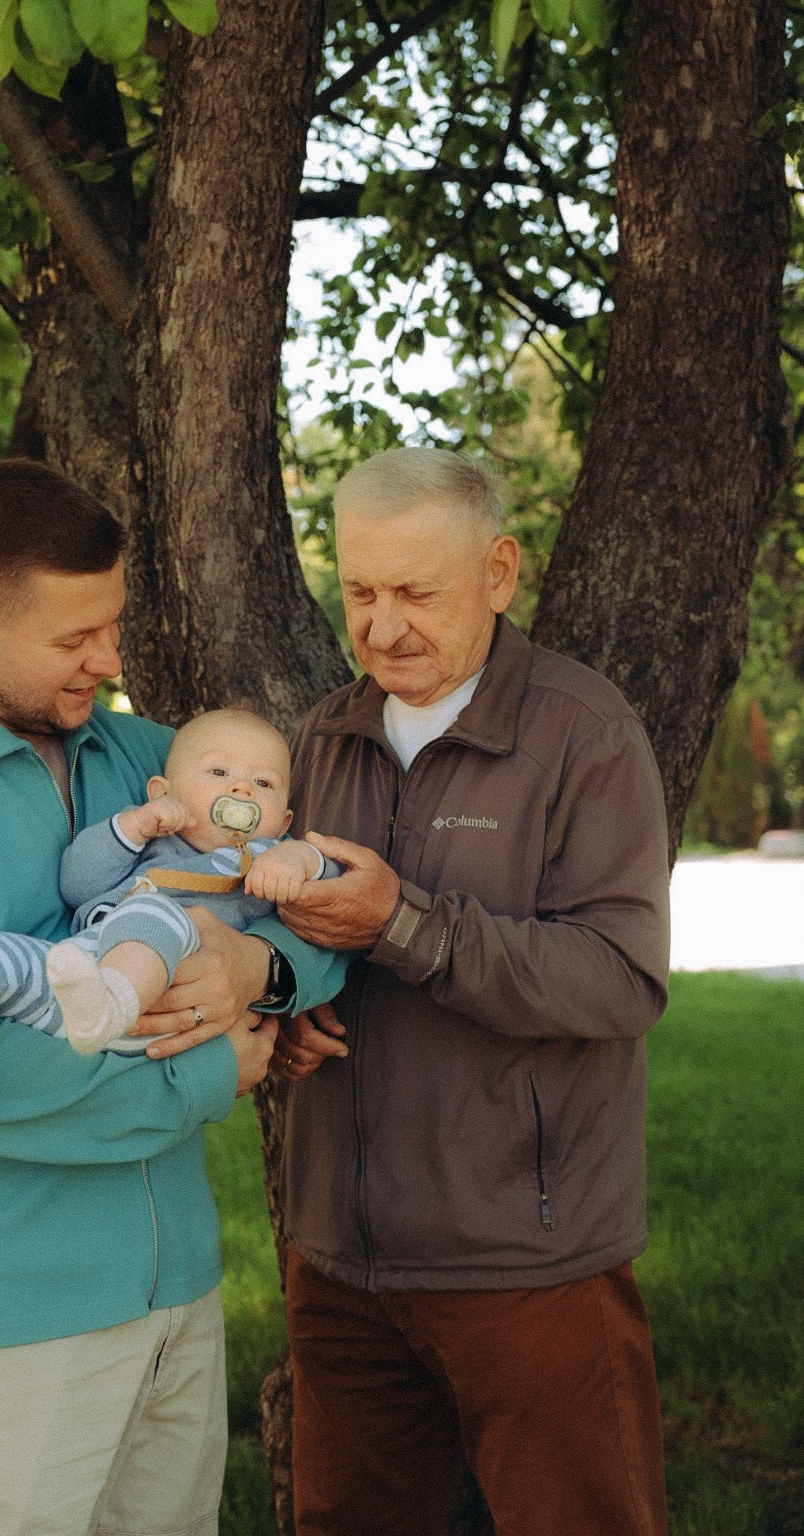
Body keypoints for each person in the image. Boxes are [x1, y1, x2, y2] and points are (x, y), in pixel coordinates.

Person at [0, 459, 345, 1536]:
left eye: (115, 624)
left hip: (174, 1296)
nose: (112, 659)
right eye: (74, 639)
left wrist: (261, 978)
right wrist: (201, 1078)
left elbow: (297, 910)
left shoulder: (151, 761)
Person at [271, 447, 672, 1536]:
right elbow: (287, 936)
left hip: (528, 1263)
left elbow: (621, 981)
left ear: (498, 572)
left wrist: (406, 925)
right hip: (341, 1262)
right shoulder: (322, 736)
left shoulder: (584, 736)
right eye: (359, 591)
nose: (383, 626)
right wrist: (287, 1011)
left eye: (417, 593)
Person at [0, 706, 339, 1115]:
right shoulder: (150, 842)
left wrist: (302, 857)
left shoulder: (268, 858)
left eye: (264, 783)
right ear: (161, 792)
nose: (242, 790)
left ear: (285, 819)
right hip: (74, 981)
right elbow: (77, 885)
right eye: (218, 773)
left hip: (157, 1004)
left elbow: (334, 892)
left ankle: (113, 1000)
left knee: (156, 914)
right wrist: (133, 827)